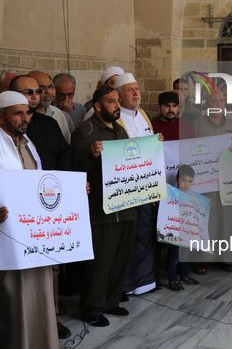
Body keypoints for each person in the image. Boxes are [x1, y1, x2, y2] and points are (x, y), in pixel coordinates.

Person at [0, 91, 58, 348]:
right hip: (5, 239)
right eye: (18, 113)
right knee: (12, 298)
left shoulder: (29, 143)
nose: (25, 118)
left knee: (37, 294)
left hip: (36, 238)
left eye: (27, 112)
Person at [70, 86, 138, 327]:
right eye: (111, 102)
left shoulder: (120, 129)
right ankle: (92, 308)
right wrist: (91, 154)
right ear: (98, 106)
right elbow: (76, 167)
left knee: (120, 258)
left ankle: (111, 301)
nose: (117, 106)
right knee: (100, 261)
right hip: (101, 208)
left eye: (118, 101)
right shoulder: (85, 132)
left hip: (127, 204)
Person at [114, 72, 158, 295]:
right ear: (119, 97)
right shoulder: (116, 118)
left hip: (147, 186)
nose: (135, 93)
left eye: (137, 89)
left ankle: (145, 281)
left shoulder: (143, 115)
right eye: (129, 90)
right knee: (128, 238)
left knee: (145, 233)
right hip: (125, 189)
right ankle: (126, 284)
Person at [192, 90, 232, 274]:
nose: (218, 104)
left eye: (221, 100)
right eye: (213, 101)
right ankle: (203, 259)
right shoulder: (197, 124)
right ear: (207, 103)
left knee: (227, 219)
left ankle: (227, 258)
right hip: (204, 180)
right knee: (205, 219)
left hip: (227, 180)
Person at [167, 165, 200, 292]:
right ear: (176, 179)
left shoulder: (192, 196)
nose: (186, 184)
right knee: (174, 255)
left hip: (187, 231)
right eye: (183, 180)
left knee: (185, 255)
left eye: (189, 181)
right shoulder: (171, 194)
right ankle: (172, 279)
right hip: (174, 231)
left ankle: (185, 276)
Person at [27, 70, 73, 143]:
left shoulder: (57, 113)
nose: (48, 91)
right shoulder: (23, 117)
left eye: (50, 87)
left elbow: (66, 144)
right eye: (42, 87)